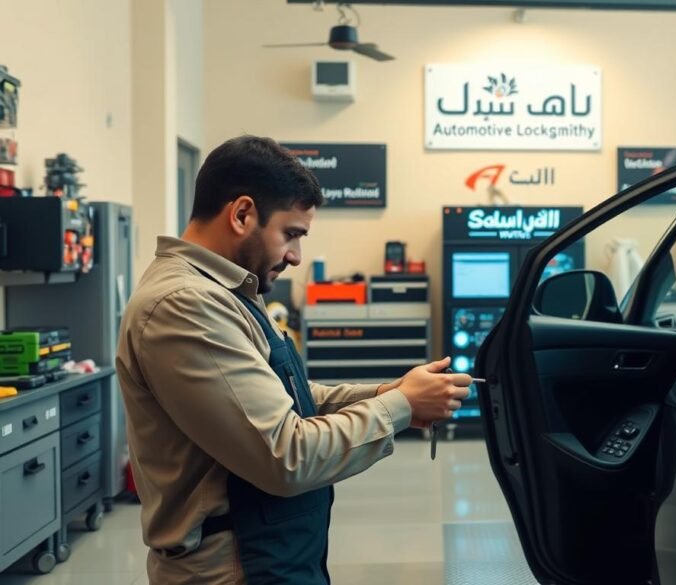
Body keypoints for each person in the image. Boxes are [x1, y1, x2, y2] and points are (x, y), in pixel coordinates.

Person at [116, 135, 471, 584]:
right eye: (291, 234)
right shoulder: (185, 305)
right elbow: (287, 456)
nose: (296, 256)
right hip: (233, 567)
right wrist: (400, 408)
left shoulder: (229, 289)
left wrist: (389, 393)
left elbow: (281, 399)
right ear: (242, 213)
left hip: (266, 554)